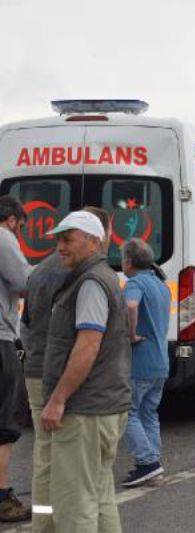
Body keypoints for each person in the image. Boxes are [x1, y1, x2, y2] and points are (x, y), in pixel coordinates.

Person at [41, 210, 132, 531]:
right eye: (58, 241)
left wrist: (58, 399)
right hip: (105, 405)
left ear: (94, 242)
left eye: (68, 240)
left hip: (85, 411)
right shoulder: (103, 277)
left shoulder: (90, 282)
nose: (60, 247)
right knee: (100, 495)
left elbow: (88, 345)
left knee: (74, 504)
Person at [20, 206, 110, 530]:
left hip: (34, 368)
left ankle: (43, 524)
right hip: (63, 373)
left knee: (44, 453)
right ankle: (66, 520)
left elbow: (25, 324)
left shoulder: (38, 271)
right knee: (74, 460)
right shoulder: (81, 273)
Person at [120, 239, 171, 487]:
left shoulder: (135, 282)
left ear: (129, 261)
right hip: (161, 361)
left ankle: (147, 461)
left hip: (140, 360)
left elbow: (131, 305)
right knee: (149, 413)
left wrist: (131, 335)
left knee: (127, 412)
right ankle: (153, 466)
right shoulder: (161, 285)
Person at [0, 196, 33, 523]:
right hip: (0, 337)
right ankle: (2, 498)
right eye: (21, 227)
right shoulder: (3, 237)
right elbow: (24, 282)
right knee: (5, 420)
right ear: (12, 220)